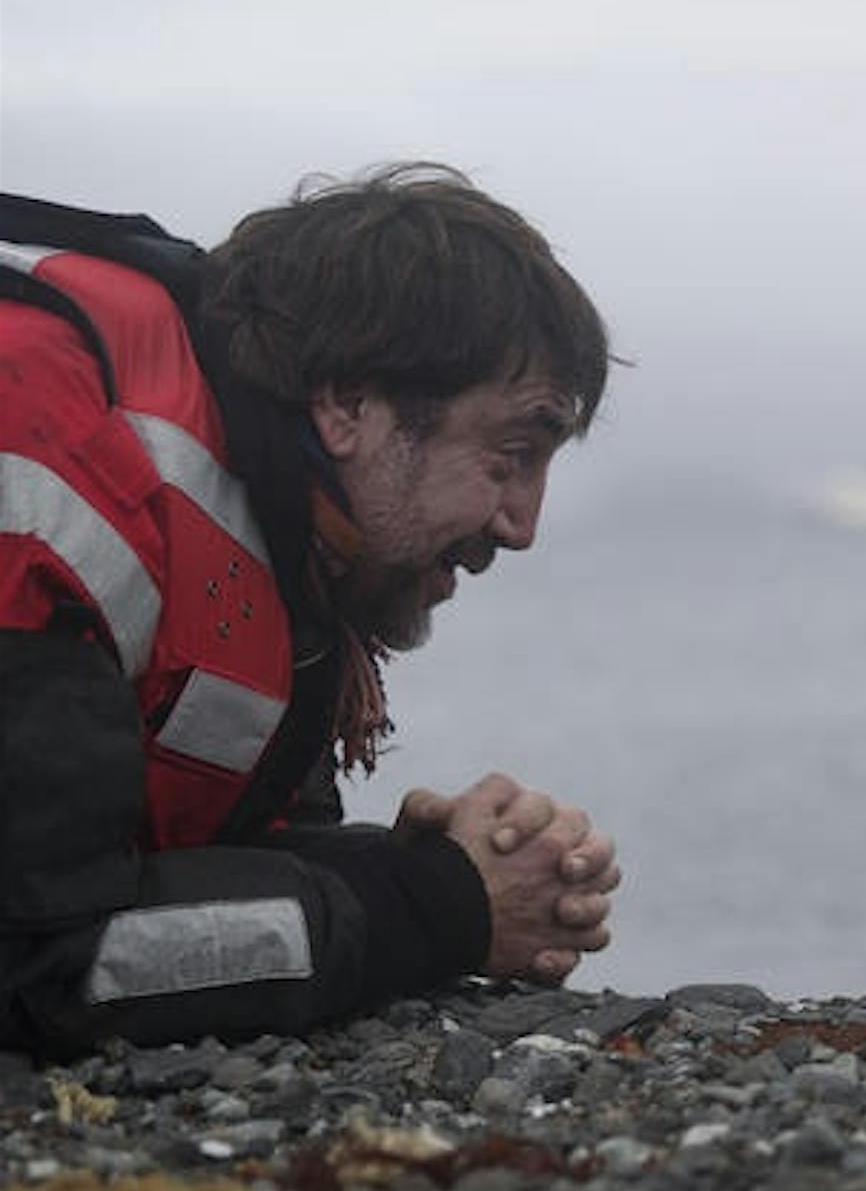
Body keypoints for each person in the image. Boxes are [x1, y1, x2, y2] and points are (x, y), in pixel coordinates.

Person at [0, 164, 622, 1056]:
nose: (522, 525)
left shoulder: (279, 534)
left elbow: (205, 854)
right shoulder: (43, 467)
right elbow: (44, 961)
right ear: (348, 404)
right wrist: (439, 908)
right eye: (511, 452)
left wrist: (415, 871)